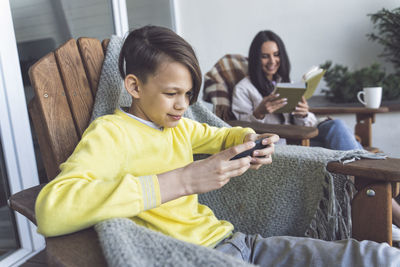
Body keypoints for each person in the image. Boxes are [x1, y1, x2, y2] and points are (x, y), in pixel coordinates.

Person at [35, 26, 400, 266]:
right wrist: (184, 181)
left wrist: (250, 140)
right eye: (171, 94)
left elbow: (224, 135)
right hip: (194, 257)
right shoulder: (111, 133)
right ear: (133, 86)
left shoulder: (179, 127)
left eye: (189, 94)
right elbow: (52, 209)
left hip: (241, 243)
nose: (183, 105)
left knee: (378, 258)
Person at [232, 30, 363, 150]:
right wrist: (259, 113)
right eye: (265, 56)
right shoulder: (243, 88)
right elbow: (239, 129)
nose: (272, 61)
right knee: (345, 142)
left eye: (276, 54)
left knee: (337, 126)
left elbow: (306, 126)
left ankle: (364, 166)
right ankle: (367, 168)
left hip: (301, 138)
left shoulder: (286, 83)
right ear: (256, 59)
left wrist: (303, 114)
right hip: (281, 145)